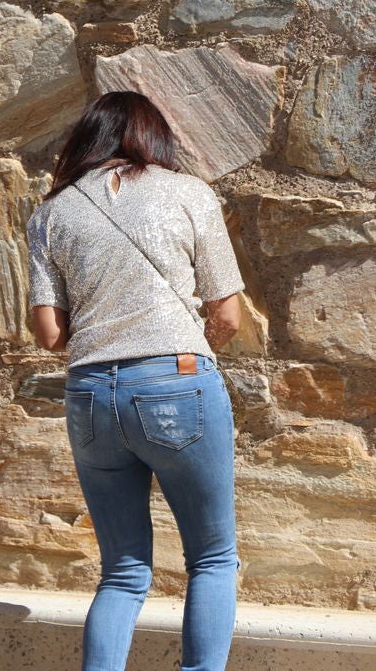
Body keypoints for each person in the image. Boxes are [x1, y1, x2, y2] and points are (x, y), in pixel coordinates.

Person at [26, 91, 244, 671]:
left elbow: (49, 333)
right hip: (178, 380)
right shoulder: (189, 194)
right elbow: (228, 314)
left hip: (91, 392)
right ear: (154, 137)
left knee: (122, 571)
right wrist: (183, 346)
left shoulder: (53, 212)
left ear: (87, 140)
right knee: (213, 558)